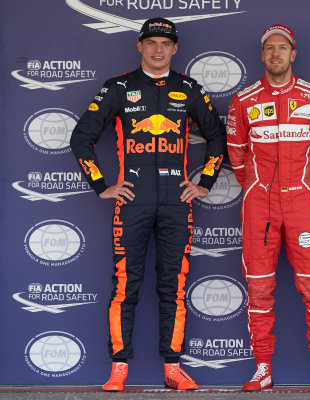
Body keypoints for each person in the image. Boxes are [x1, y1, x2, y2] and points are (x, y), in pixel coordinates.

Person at [70, 17, 226, 391]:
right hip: (133, 201)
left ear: (175, 49)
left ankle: (172, 367)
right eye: (151, 42)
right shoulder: (119, 87)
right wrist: (101, 185)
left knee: (174, 285)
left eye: (166, 43)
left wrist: (203, 183)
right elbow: (81, 139)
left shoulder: (188, 88)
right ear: (140, 46)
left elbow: (218, 138)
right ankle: (119, 367)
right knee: (126, 284)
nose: (158, 49)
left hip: (177, 201)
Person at [226, 24, 310, 391]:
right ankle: (263, 368)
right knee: (259, 288)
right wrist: (258, 188)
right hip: (258, 204)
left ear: (294, 54)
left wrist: (300, 182)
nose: (276, 54)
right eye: (269, 48)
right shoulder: (243, 100)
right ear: (261, 55)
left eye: (283, 48)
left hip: (301, 200)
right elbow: (236, 154)